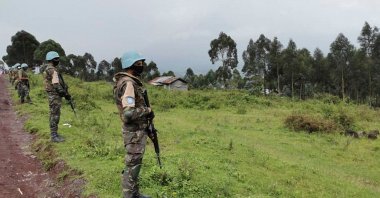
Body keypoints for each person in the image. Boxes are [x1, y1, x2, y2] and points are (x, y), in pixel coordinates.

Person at [113, 51, 154, 198]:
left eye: (141, 63)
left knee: (135, 163)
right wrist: (147, 110)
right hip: (133, 132)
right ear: (130, 65)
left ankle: (134, 193)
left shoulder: (126, 81)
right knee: (133, 165)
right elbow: (128, 114)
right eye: (138, 64)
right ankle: (129, 195)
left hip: (136, 131)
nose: (141, 66)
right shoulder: (129, 83)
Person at [43, 51, 71, 143]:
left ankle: (54, 134)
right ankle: (54, 136)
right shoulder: (52, 70)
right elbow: (56, 84)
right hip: (54, 95)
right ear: (52, 60)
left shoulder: (50, 68)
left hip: (53, 94)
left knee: (54, 113)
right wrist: (64, 93)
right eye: (56, 59)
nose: (58, 61)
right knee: (55, 114)